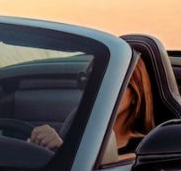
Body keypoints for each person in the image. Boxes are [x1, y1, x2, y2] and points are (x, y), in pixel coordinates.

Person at [26, 59, 156, 158]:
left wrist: (61, 150)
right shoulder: (79, 129)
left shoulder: (144, 149)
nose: (99, 89)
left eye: (113, 84)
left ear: (135, 95)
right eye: (91, 81)